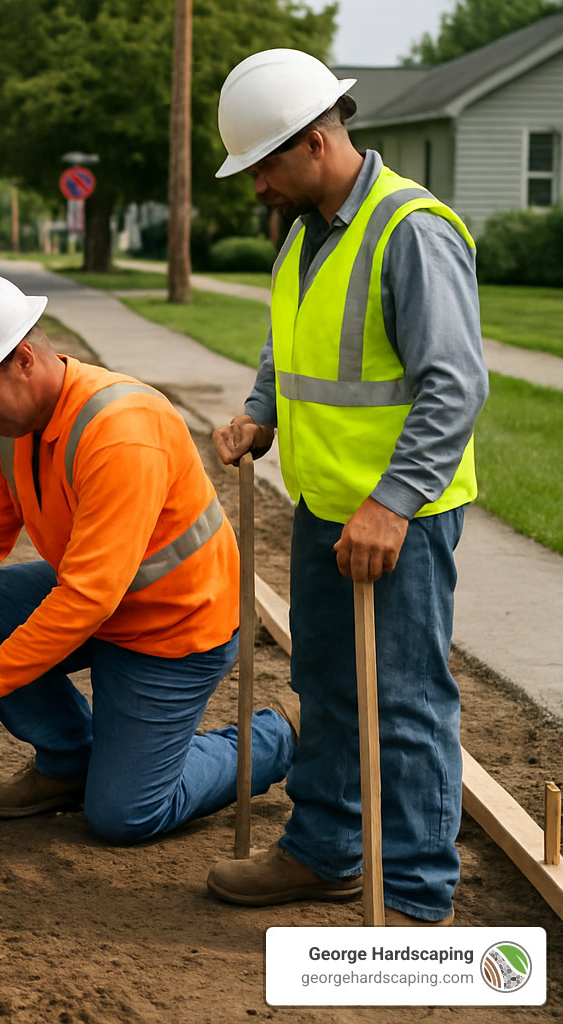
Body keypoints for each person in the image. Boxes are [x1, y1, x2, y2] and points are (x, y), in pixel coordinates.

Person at [0, 273, 295, 844]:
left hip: (175, 627)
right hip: (99, 604)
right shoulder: (11, 429)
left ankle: (278, 737)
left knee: (124, 816)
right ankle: (71, 761)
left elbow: (88, 597)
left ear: (24, 360)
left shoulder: (120, 434)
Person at [205, 49, 486, 926]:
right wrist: (262, 413)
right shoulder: (306, 231)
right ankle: (325, 851)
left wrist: (391, 504)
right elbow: (287, 339)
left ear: (317, 141)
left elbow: (454, 386)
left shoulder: (411, 231)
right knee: (327, 679)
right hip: (328, 508)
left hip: (398, 518)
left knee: (402, 698)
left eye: (265, 167)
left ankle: (411, 892)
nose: (258, 188)